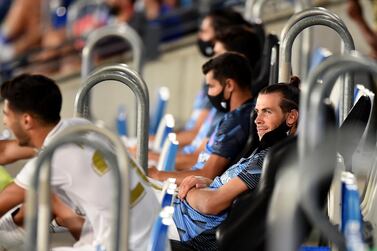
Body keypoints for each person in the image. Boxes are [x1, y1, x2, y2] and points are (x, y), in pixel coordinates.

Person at [0, 74, 159, 251]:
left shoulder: (50, 162)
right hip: (150, 237)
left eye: (6, 115)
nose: (5, 122)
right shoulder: (81, 126)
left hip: (125, 245)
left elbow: (4, 201)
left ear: (27, 120)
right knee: (51, 198)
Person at [172, 80, 300, 250]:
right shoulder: (263, 152)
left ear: (291, 117)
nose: (257, 120)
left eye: (267, 112)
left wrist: (187, 192)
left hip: (185, 230)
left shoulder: (268, 159)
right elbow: (231, 193)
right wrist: (206, 183)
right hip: (181, 216)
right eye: (257, 112)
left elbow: (210, 204)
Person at [148, 52, 255, 184]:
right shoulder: (239, 114)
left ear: (229, 85)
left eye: (211, 86)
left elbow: (207, 173)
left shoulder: (235, 121)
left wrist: (158, 175)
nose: (208, 94)